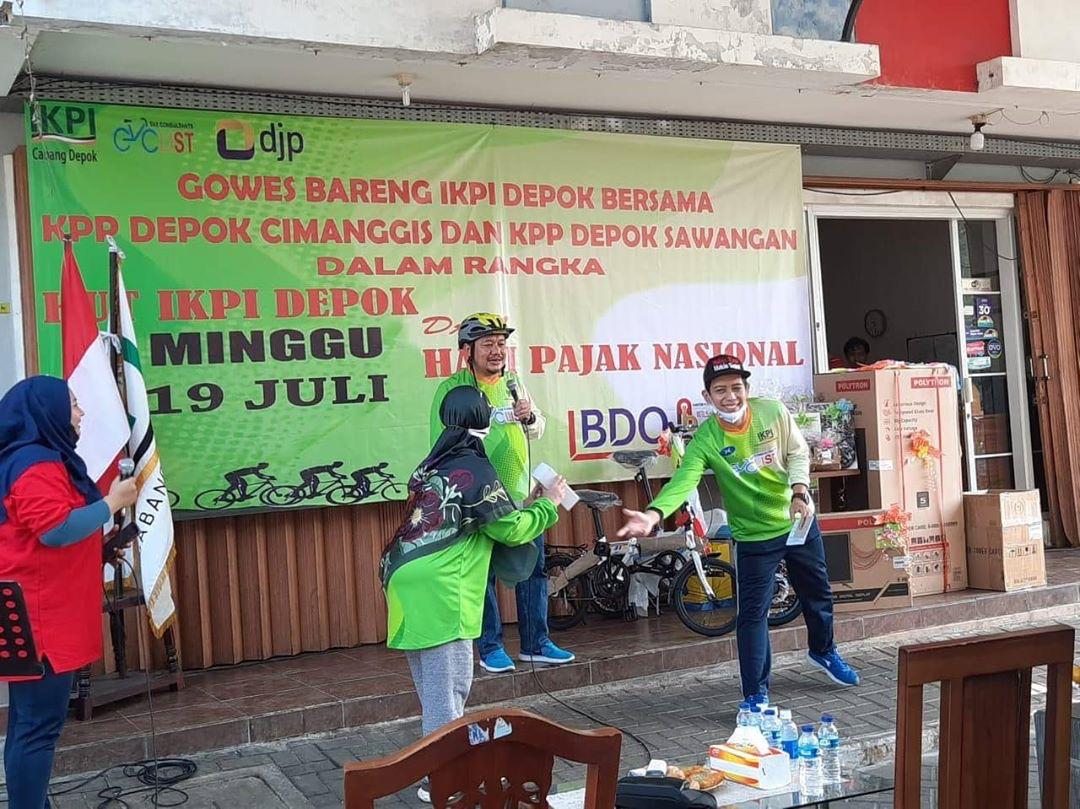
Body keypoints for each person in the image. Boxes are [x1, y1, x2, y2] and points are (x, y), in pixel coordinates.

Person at [617, 355, 859, 702]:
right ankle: (755, 693)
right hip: (753, 537)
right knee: (752, 616)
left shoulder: (772, 412)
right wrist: (654, 514)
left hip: (797, 520)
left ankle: (823, 651)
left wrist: (799, 491)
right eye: (720, 390)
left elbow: (797, 453)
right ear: (708, 396)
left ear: (747, 388)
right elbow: (683, 481)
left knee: (817, 593)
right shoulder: (706, 439)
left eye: (736, 387)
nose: (730, 396)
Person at [382, 386, 565, 803]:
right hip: (441, 588)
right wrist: (550, 504)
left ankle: (440, 773)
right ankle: (444, 783)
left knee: (433, 692)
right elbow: (510, 530)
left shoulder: (435, 463)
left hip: (404, 579)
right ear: (483, 420)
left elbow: (480, 514)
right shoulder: (475, 466)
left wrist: (526, 502)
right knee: (448, 693)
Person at [0, 376, 138, 808]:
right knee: (37, 728)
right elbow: (55, 530)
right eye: (73, 405)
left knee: (27, 724)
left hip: (39, 608)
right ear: (48, 412)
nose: (80, 413)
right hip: (40, 618)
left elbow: (43, 533)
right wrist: (112, 503)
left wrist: (101, 546)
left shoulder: (36, 458)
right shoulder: (35, 463)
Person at [430, 313, 574, 673]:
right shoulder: (453, 390)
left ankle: (536, 643)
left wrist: (529, 417)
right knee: (483, 574)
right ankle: (490, 646)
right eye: (487, 344)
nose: (497, 351)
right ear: (467, 350)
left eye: (501, 344)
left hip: (519, 493)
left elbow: (537, 429)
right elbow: (444, 441)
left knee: (534, 567)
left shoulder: (514, 382)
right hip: (477, 495)